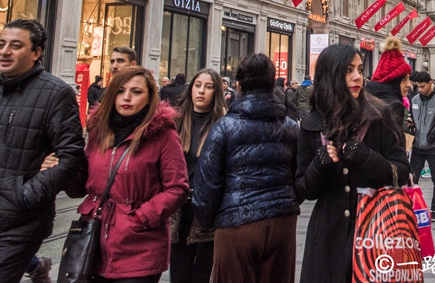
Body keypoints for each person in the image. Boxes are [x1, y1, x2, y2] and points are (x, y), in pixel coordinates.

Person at [0, 19, 88, 283]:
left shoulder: (56, 93)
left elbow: (70, 155)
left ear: (36, 53)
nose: (4, 51)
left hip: (19, 220)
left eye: (15, 46)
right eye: (1, 44)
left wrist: (26, 195)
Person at [295, 44, 410, 283]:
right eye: (349, 70)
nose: (358, 76)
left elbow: (401, 170)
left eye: (359, 69)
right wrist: (320, 163)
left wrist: (367, 157)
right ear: (331, 75)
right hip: (327, 238)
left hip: (374, 233)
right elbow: (304, 189)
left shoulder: (379, 116)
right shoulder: (312, 124)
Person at [68, 66, 189, 283]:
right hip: (94, 244)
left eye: (136, 92)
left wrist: (143, 216)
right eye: (121, 91)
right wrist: (63, 170)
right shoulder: (99, 132)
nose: (127, 98)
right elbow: (82, 185)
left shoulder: (163, 135)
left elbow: (177, 187)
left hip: (140, 247)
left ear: (150, 97)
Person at [194, 54, 299, 283]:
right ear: (273, 84)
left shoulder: (225, 127)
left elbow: (207, 181)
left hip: (236, 224)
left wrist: (210, 220)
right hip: (282, 222)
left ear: (238, 85)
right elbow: (297, 175)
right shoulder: (290, 127)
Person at [172, 68, 228, 283]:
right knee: (179, 273)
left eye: (208, 86)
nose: (201, 91)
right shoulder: (175, 122)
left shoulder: (223, 124)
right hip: (179, 210)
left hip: (208, 211)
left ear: (217, 92)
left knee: (202, 275)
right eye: (197, 86)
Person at [408, 71, 435, 221]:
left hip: (433, 147)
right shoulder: (414, 100)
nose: (420, 90)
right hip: (417, 147)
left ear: (430, 83)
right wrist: (410, 127)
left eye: (423, 86)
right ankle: (412, 207)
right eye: (418, 87)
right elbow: (410, 118)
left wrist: (431, 138)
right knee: (413, 178)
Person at [365, 36, 413, 143]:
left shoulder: (366, 98)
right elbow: (393, 146)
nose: (409, 85)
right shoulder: (394, 105)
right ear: (394, 81)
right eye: (404, 79)